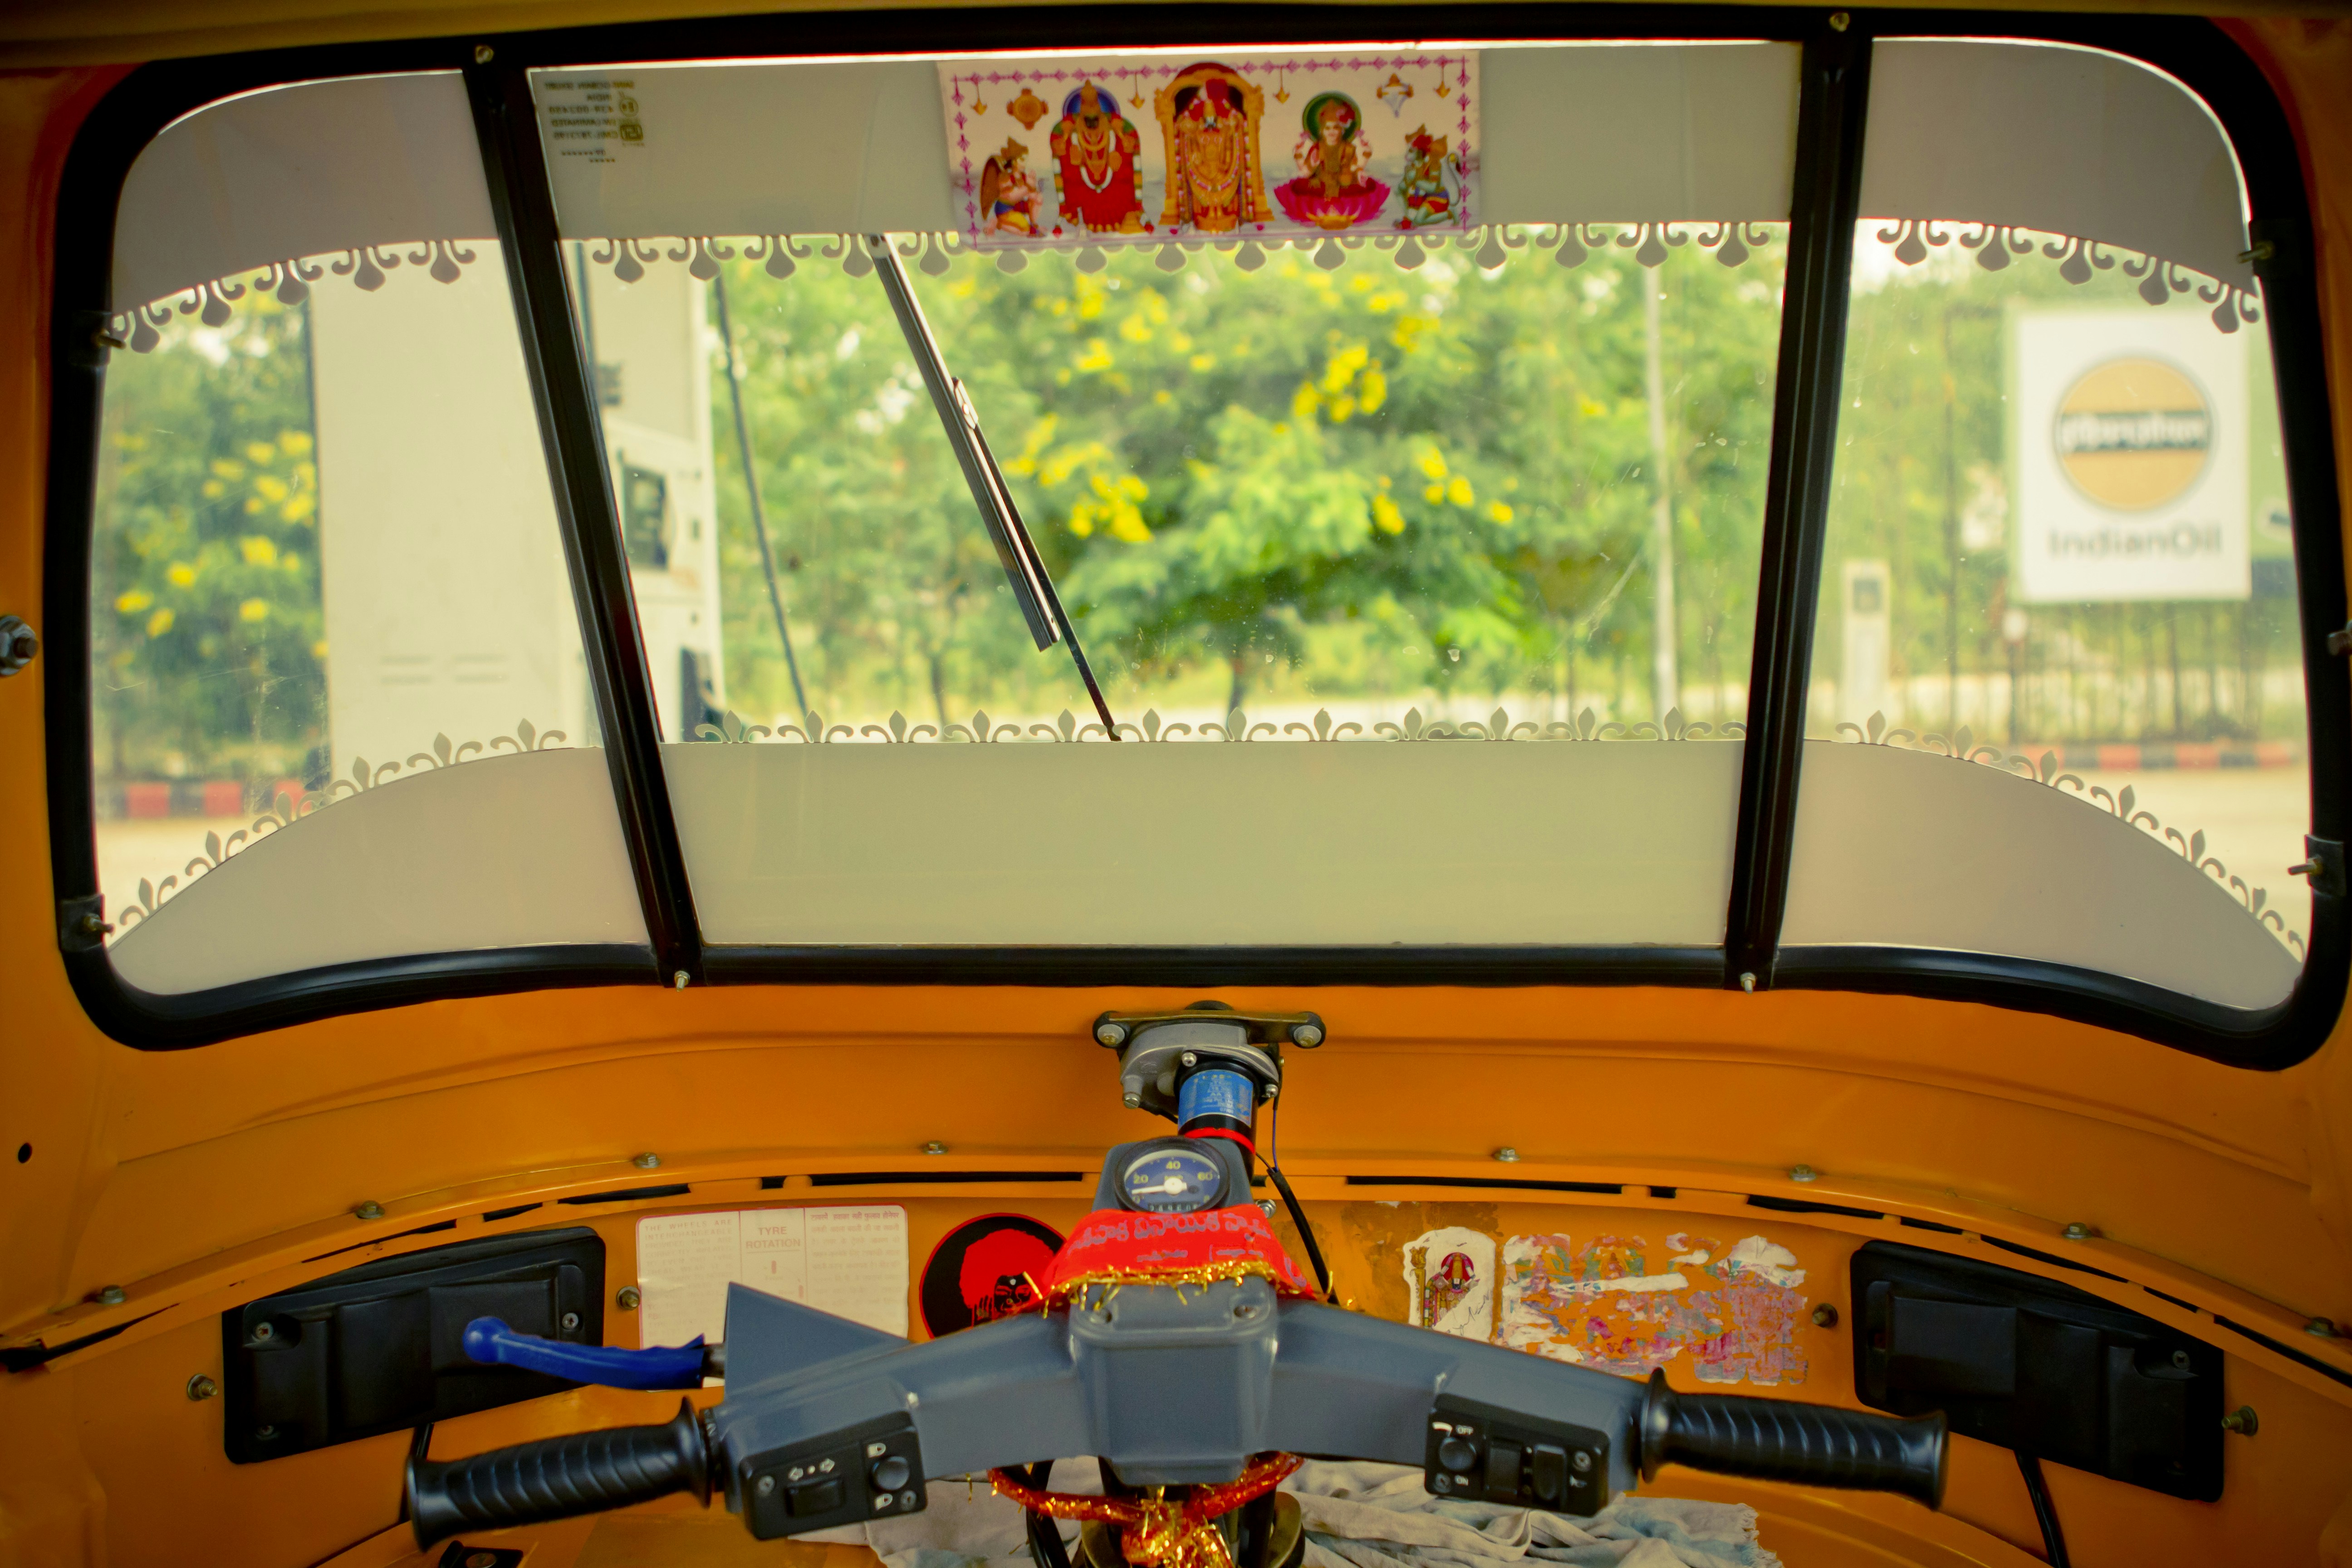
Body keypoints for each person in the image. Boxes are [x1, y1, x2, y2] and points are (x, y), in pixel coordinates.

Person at [1275, 93, 1391, 230]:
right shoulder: (1317, 148)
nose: (1332, 132)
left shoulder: (1348, 148)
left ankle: (1341, 207)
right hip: (1320, 183)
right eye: (1328, 128)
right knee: (1300, 189)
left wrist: (1366, 154)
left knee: (1365, 188)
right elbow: (1306, 173)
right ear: (1322, 131)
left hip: (1344, 182)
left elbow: (1355, 168)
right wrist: (1298, 154)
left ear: (1342, 131)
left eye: (1336, 128)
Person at [1049, 83, 1144, 234]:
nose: (1092, 125)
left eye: (1095, 119)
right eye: (1088, 120)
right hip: (1086, 186)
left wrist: (1119, 154)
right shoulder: (1071, 130)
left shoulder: (1114, 128)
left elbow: (1129, 156)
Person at [978, 138, 1040, 235]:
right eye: (1022, 160)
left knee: (1038, 199)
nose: (1025, 163)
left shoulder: (1023, 176)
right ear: (1014, 162)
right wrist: (1026, 187)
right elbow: (1010, 195)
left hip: (1016, 206)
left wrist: (1033, 181)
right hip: (1005, 209)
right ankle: (999, 224)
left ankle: (1033, 224)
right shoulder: (1006, 177)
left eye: (1026, 160)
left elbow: (1033, 189)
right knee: (1025, 231)